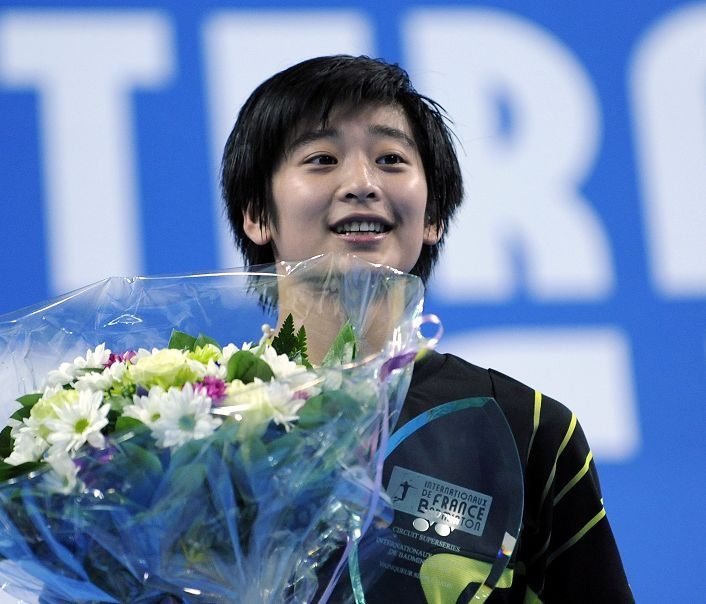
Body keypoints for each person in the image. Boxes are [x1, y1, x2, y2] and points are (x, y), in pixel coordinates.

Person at [221, 55, 633, 602]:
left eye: (391, 159)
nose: (361, 183)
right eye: (321, 159)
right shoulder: (188, 420)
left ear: (433, 216)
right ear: (257, 214)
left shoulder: (528, 430)